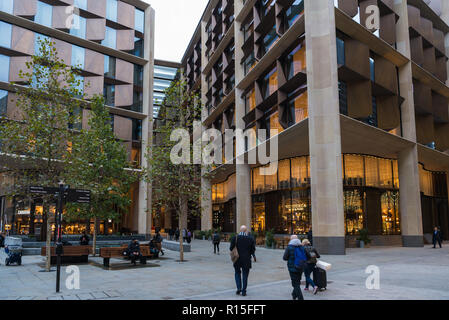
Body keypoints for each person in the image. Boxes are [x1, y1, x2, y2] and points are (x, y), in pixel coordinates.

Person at [230, 226, 256, 297]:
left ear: (240, 230)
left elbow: (231, 248)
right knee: (245, 275)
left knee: (237, 273)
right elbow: (253, 250)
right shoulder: (250, 239)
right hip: (246, 259)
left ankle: (239, 288)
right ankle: (244, 291)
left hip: (237, 259)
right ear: (246, 231)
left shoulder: (235, 238)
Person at [283, 235, 306, 300]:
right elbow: (307, 256)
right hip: (300, 267)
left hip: (292, 268)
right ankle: (294, 294)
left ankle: (300, 298)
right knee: (297, 282)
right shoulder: (302, 247)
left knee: (295, 284)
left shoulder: (289, 247)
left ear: (291, 240)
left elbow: (284, 258)